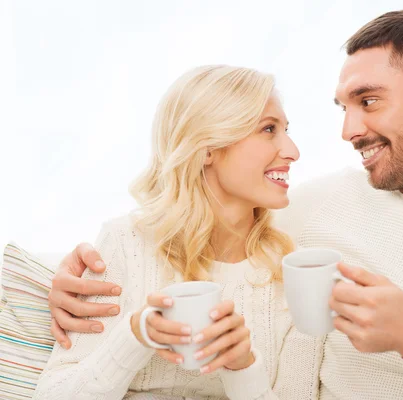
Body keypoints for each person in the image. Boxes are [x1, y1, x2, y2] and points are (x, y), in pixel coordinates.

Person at [48, 10, 403, 400]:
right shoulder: (310, 215)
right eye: (342, 106)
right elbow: (200, 224)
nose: (347, 130)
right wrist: (66, 276)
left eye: (369, 102)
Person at [34, 65, 322, 399]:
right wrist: (135, 335)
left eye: (286, 130)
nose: (293, 151)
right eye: (269, 129)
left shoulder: (298, 277)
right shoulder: (126, 243)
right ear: (208, 148)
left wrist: (242, 366)